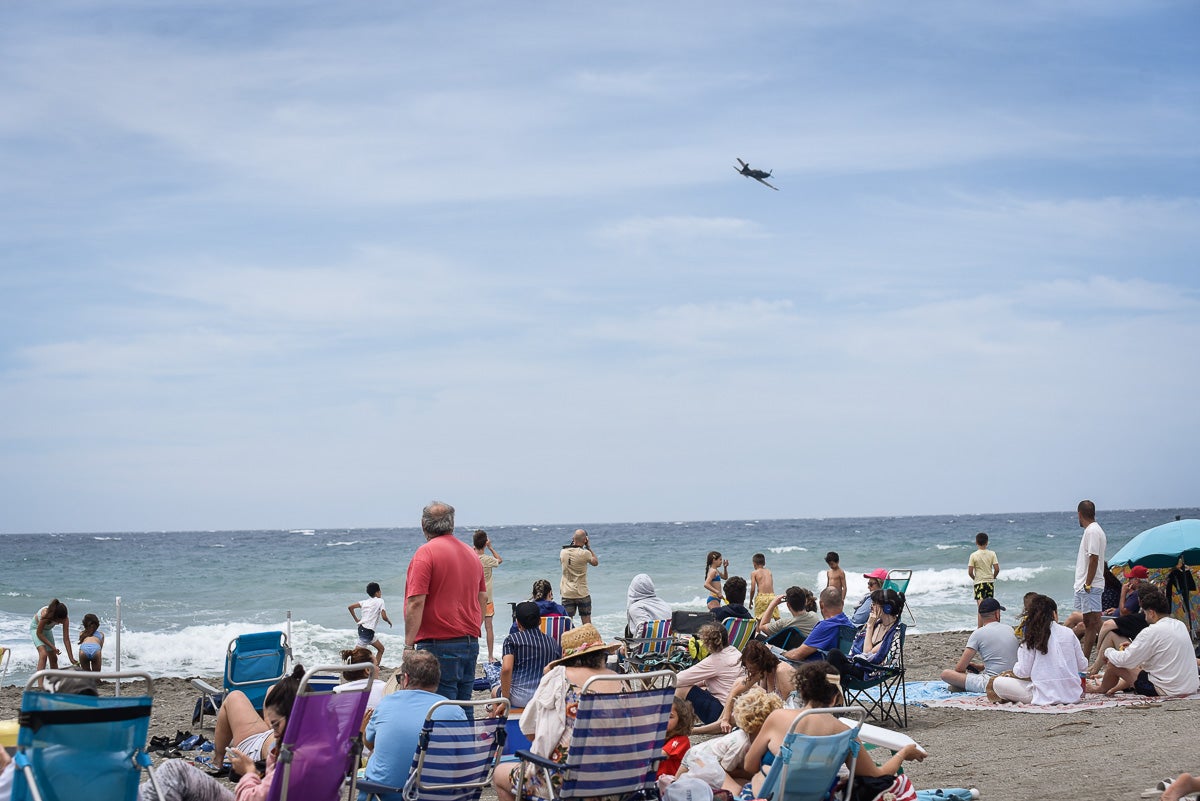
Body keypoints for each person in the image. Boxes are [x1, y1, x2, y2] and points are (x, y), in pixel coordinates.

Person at [744, 662, 926, 799]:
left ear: (803, 692)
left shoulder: (778, 717)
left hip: (771, 795)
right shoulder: (846, 733)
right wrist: (902, 753)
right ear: (835, 697)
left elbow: (749, 766)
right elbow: (876, 774)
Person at [492, 623, 623, 801]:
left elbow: (530, 731)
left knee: (500, 774)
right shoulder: (622, 681)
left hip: (567, 781)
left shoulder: (561, 678)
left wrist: (549, 676)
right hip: (620, 781)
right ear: (602, 653)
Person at [139, 665, 307, 801]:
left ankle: (218, 760)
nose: (275, 730)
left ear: (295, 720)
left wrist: (250, 772)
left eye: (276, 725)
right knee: (273, 690)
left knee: (173, 770)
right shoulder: (323, 750)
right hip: (266, 745)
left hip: (257, 756)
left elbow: (251, 797)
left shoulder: (289, 761)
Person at [404, 501, 487, 704]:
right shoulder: (471, 554)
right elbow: (482, 597)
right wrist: (475, 626)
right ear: (452, 524)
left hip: (438, 642)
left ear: (424, 524)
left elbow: (416, 602)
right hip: (469, 641)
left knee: (441, 705)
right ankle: (466, 737)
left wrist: (408, 645)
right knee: (463, 703)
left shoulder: (426, 553)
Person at [363, 650, 468, 799]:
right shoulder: (455, 711)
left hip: (387, 794)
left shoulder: (387, 703)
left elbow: (369, 743)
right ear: (436, 680)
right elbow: (465, 757)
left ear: (405, 679)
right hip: (439, 795)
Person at [1093, 584, 1199, 697]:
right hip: (1189, 686)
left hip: (1167, 689)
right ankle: (1109, 687)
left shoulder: (1151, 631)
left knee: (1113, 664)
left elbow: (1125, 660)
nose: (1144, 616)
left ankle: (1100, 689)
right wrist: (1133, 647)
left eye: (1145, 612)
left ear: (1151, 613)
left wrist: (1108, 652)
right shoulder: (1180, 625)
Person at [991, 594, 1087, 705]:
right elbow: (1083, 665)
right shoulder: (1068, 632)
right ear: (1054, 613)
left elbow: (1023, 672)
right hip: (1072, 695)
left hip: (1043, 696)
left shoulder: (1032, 635)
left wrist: (1014, 670)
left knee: (997, 682)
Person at [693, 640, 794, 735]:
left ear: (761, 663)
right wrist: (725, 719)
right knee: (738, 683)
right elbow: (735, 692)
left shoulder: (782, 671)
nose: (751, 672)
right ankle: (720, 722)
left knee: (742, 713)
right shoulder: (763, 671)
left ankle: (696, 731)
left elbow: (787, 706)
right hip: (775, 708)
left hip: (788, 715)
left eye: (752, 669)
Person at [940, 598, 1018, 692]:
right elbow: (1005, 660)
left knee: (946, 674)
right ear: (997, 614)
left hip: (993, 683)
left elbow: (960, 668)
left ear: (980, 616)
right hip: (1014, 679)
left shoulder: (977, 634)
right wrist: (981, 667)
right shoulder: (1009, 629)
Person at [673, 623, 745, 725]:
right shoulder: (735, 652)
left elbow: (677, 679)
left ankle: (674, 724)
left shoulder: (715, 660)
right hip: (737, 710)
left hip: (722, 714)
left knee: (681, 688)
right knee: (700, 687)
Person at [497, 601, 562, 710]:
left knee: (495, 690)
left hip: (519, 698)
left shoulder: (512, 640)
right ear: (540, 621)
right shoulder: (552, 642)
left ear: (518, 623)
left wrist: (505, 700)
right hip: (544, 697)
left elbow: (506, 669)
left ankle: (499, 723)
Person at [826, 589, 903, 680]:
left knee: (832, 665)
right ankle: (831, 691)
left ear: (887, 608)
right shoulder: (878, 624)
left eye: (874, 604)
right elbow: (857, 647)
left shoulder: (893, 633)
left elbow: (867, 653)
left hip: (870, 670)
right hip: (858, 663)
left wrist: (870, 626)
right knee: (833, 655)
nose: (871, 606)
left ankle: (831, 691)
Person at [1074, 499, 1107, 661]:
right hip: (1089, 583)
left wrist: (1087, 583)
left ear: (1080, 514)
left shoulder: (1092, 531)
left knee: (1091, 622)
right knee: (1092, 621)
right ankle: (1110, 647)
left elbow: (1093, 558)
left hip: (1090, 584)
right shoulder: (1093, 530)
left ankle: (1086, 659)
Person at [781, 587, 851, 663]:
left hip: (815, 669)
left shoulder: (826, 626)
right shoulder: (848, 624)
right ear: (842, 603)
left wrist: (782, 653)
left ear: (821, 605)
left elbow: (796, 655)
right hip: (834, 668)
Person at [473, 530, 503, 663]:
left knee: (474, 627)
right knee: (489, 627)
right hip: (487, 598)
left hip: (473, 598)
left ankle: (473, 655)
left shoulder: (471, 558)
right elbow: (499, 560)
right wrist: (490, 547)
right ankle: (490, 656)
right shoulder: (487, 559)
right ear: (485, 544)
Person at [560, 529, 599, 624]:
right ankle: (588, 639)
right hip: (582, 593)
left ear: (573, 538)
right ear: (585, 540)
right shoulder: (585, 553)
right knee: (586, 624)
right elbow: (595, 562)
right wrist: (588, 547)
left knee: (567, 624)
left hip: (567, 593)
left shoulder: (563, 552)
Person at [31, 599, 76, 684]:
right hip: (36, 629)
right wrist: (52, 647)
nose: (61, 623)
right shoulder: (45, 615)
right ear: (54, 616)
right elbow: (39, 633)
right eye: (60, 621)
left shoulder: (65, 618)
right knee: (43, 654)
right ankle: (40, 685)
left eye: (63, 620)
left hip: (47, 631)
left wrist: (71, 658)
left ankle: (55, 682)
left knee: (54, 658)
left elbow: (66, 638)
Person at [349, 582, 392, 664]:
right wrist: (388, 621)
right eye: (380, 592)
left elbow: (350, 607)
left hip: (364, 629)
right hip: (367, 631)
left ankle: (375, 667)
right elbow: (384, 616)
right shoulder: (380, 601)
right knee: (356, 654)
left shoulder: (365, 602)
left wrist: (356, 619)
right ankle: (349, 666)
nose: (381, 594)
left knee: (381, 649)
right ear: (377, 592)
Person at [658, 697, 696, 779]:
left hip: (669, 783)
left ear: (680, 720)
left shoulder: (681, 739)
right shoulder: (657, 735)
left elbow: (661, 755)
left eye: (670, 717)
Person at [968, 532, 999, 606]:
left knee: (981, 607)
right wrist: (994, 577)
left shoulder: (973, 555)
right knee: (989, 607)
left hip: (979, 582)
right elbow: (997, 569)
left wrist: (975, 578)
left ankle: (980, 618)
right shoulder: (992, 554)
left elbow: (970, 572)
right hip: (989, 582)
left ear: (976, 542)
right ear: (987, 542)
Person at [749, 554, 778, 621]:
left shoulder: (754, 573)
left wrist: (750, 601)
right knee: (777, 618)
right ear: (764, 563)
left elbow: (753, 589)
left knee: (759, 620)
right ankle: (783, 631)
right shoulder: (769, 572)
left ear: (754, 563)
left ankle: (757, 631)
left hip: (761, 597)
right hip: (772, 597)